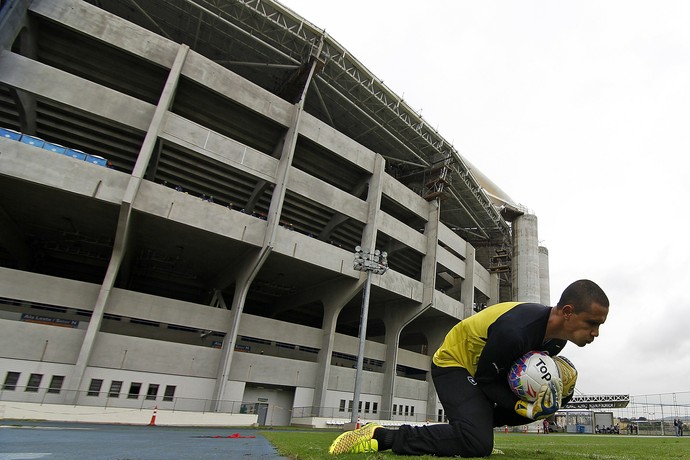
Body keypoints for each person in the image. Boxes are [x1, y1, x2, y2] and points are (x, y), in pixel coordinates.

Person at [329, 279, 609, 457]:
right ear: (568, 312)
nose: (595, 333)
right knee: (477, 445)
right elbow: (488, 380)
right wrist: (522, 407)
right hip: (454, 365)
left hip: (486, 373)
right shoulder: (516, 330)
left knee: (549, 402)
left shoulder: (558, 342)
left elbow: (516, 375)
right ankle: (379, 435)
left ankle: (471, 429)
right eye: (592, 324)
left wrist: (554, 394)